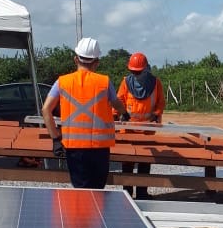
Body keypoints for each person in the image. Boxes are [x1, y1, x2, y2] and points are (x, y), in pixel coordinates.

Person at [42, 37, 129, 190]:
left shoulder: (62, 82)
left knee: (81, 190)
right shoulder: (104, 82)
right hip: (100, 149)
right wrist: (124, 113)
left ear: (76, 59)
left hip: (74, 149)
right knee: (97, 190)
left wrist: (55, 139)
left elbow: (46, 109)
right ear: (96, 62)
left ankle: (82, 214)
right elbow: (116, 103)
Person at [117, 51, 166, 200]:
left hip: (147, 131)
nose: (136, 74)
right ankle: (127, 192)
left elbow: (160, 102)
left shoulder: (155, 83)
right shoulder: (126, 82)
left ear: (146, 69)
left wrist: (156, 114)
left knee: (145, 163)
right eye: (133, 71)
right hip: (129, 129)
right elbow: (119, 100)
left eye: (138, 71)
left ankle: (142, 193)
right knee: (127, 163)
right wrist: (118, 114)